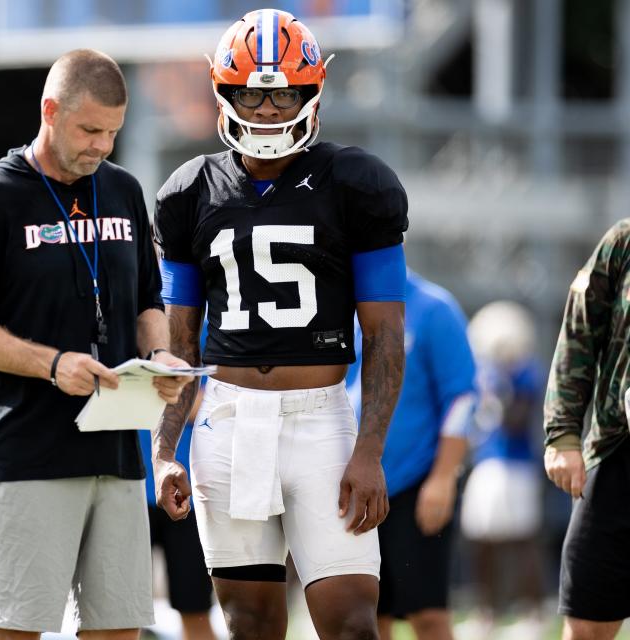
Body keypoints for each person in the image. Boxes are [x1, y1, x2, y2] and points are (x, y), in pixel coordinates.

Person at [151, 9, 408, 640]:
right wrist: (163, 451)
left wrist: (370, 450)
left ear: (310, 94)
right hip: (229, 420)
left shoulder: (356, 182)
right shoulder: (190, 191)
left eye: (283, 93)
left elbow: (385, 335)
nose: (267, 109)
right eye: (253, 94)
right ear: (226, 94)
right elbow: (179, 342)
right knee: (247, 624)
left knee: (351, 624)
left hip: (321, 420)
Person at [0, 49, 192, 640]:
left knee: (118, 630)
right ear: (50, 110)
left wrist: (158, 358)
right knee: (17, 630)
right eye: (90, 130)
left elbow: (147, 302)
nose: (102, 145)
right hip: (28, 456)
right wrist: (51, 365)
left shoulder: (125, 191)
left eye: (113, 132)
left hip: (118, 457)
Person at [346, 271, 476, 640]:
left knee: (428, 614)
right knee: (368, 614)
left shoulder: (434, 309)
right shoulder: (343, 307)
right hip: (357, 485)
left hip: (416, 483)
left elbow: (461, 398)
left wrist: (442, 478)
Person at [544, 219, 630, 640]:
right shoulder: (624, 240)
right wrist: (563, 435)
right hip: (618, 450)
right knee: (586, 622)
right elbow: (579, 333)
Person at [460, 301, 546, 638]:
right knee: (480, 539)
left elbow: (515, 421)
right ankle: (487, 613)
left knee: (522, 538)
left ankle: (532, 612)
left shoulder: (524, 372)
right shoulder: (484, 372)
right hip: (487, 462)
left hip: (516, 464)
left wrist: (501, 385)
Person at [137, 327, 216, 640]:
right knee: (117, 616)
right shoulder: (118, 323)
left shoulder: (200, 326)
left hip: (187, 495)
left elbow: (212, 407)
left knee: (195, 611)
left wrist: (165, 382)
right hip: (129, 488)